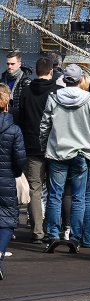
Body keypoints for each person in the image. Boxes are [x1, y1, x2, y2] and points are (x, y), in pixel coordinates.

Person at [39, 64, 90, 248]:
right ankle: (75, 237)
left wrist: (45, 147)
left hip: (58, 151)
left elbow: (44, 126)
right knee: (78, 197)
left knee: (55, 195)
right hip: (81, 152)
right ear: (80, 80)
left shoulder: (53, 98)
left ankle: (52, 234)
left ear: (64, 80)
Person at [18, 57, 61, 243]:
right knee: (55, 190)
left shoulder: (26, 92)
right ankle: (54, 230)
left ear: (36, 71)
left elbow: (20, 118)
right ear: (51, 71)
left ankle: (37, 231)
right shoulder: (57, 92)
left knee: (35, 189)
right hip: (55, 146)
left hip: (32, 146)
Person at [0, 84, 26, 279]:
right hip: (7, 178)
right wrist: (15, 173)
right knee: (8, 220)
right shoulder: (14, 129)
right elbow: (19, 160)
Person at [2, 51, 31, 122]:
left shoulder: (26, 83)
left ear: (19, 64)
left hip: (18, 119)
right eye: (8, 64)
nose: (9, 66)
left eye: (12, 64)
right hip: (3, 118)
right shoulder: (2, 80)